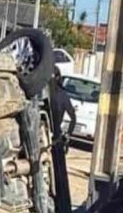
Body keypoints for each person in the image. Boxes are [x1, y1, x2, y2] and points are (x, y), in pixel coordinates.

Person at [50, 66, 76, 213]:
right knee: (60, 176)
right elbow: (73, 118)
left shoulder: (44, 94)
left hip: (45, 139)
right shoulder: (63, 95)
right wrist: (68, 135)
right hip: (57, 139)